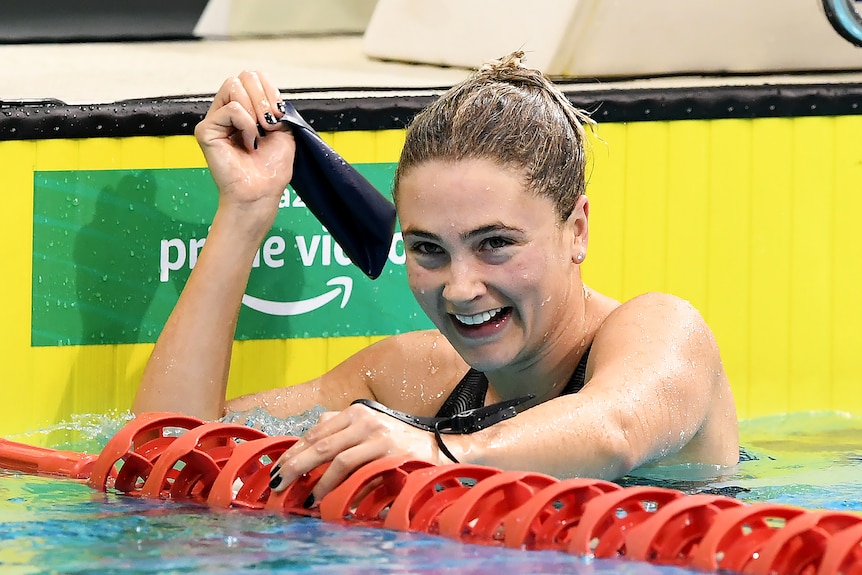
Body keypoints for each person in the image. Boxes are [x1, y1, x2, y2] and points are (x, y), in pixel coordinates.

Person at [132, 52, 739, 507]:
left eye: (495, 244)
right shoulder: (416, 379)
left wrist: (442, 452)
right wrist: (244, 211)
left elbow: (615, 428)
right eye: (428, 250)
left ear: (576, 229)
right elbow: (165, 452)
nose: (459, 287)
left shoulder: (663, 333)